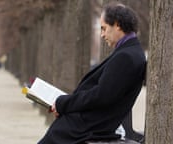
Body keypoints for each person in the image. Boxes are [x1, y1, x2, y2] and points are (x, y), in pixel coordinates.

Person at [38, 3, 146, 144]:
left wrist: (63, 103)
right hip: (91, 123)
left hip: (90, 126)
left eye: (104, 28)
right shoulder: (129, 51)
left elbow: (101, 96)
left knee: (56, 133)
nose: (102, 35)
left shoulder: (126, 56)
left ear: (117, 25)